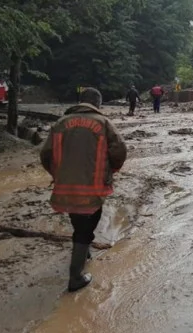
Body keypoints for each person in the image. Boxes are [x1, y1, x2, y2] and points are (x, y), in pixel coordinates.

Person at [40, 87, 127, 292]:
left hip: (66, 185)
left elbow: (45, 154)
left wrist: (57, 174)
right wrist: (111, 170)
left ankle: (84, 250)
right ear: (97, 104)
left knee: (78, 221)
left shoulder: (61, 124)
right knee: (87, 226)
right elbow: (120, 150)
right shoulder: (104, 123)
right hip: (93, 185)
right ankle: (76, 276)